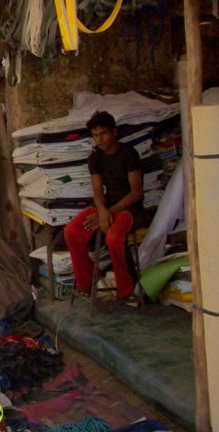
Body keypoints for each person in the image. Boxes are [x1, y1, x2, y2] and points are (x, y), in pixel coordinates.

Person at [63, 111, 145, 300]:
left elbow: (136, 192)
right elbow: (98, 191)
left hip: (128, 208)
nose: (99, 139)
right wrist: (101, 211)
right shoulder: (95, 157)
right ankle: (88, 281)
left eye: (103, 133)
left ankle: (125, 289)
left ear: (114, 132)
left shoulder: (129, 154)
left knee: (113, 239)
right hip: (106, 206)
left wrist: (109, 212)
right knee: (71, 231)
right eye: (95, 135)